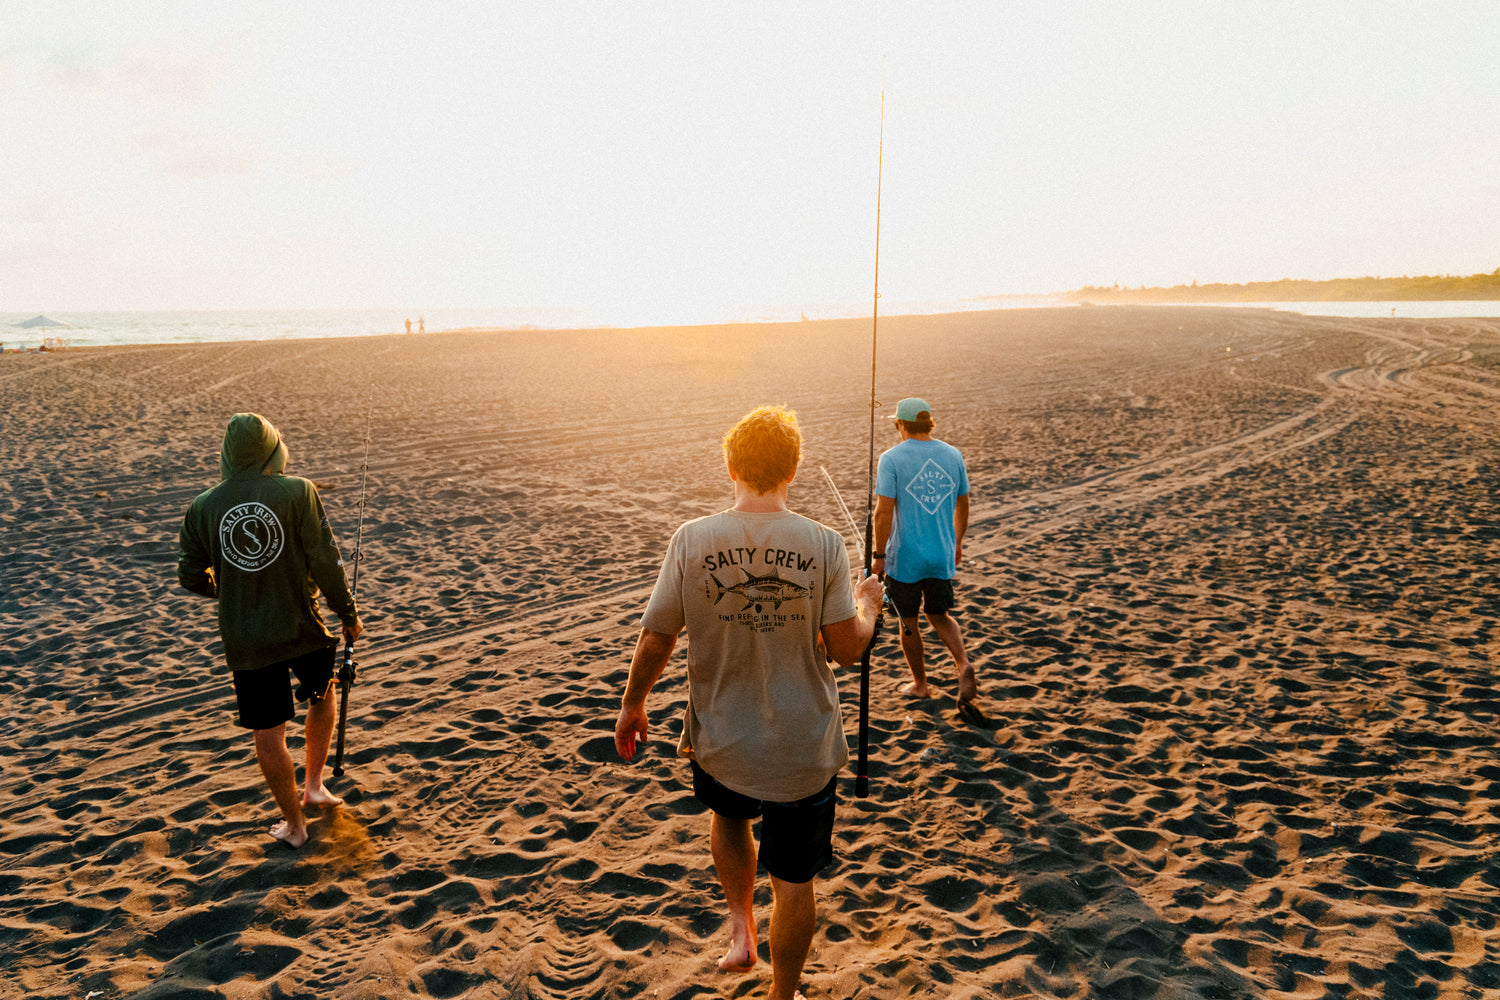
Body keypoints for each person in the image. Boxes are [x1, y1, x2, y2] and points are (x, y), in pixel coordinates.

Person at [614, 405, 883, 1000]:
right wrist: (868, 604)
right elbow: (847, 650)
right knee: (793, 878)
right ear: (793, 470)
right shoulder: (823, 544)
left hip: (722, 739)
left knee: (730, 818)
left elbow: (658, 635)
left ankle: (741, 925)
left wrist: (633, 704)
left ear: (730, 465)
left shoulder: (693, 539)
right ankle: (781, 994)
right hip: (803, 745)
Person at [178, 412, 363, 848]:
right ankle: (313, 784)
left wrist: (231, 588)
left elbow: (189, 575)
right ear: (272, 448)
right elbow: (325, 557)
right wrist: (348, 613)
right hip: (303, 623)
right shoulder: (299, 490)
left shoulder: (203, 506)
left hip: (247, 636)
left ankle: (295, 825)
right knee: (323, 695)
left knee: (269, 729)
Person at [872, 397, 976, 705]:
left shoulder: (891, 459)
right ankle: (963, 663)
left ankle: (920, 684)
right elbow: (964, 505)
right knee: (939, 614)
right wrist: (956, 542)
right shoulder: (952, 454)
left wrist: (879, 556)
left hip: (905, 558)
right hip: (941, 553)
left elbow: (883, 513)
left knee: (908, 621)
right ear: (928, 423)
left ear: (901, 425)